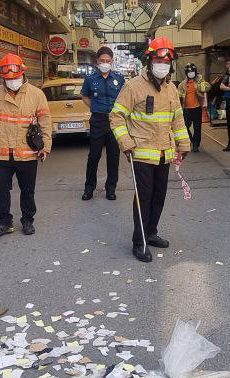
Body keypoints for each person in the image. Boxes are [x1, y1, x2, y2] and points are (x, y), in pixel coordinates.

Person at [110, 37, 191, 262]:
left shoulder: (171, 88)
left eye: (166, 61)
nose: (162, 64)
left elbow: (177, 120)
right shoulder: (133, 86)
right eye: (158, 60)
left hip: (164, 153)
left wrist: (183, 144)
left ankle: (152, 232)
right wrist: (126, 144)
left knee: (159, 197)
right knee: (143, 198)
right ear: (149, 60)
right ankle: (140, 241)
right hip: (141, 154)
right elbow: (116, 117)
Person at [0, 53, 52, 238]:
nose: (12, 81)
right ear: (3, 77)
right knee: (1, 190)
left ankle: (28, 220)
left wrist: (45, 147)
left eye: (16, 77)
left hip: (27, 153)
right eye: (8, 79)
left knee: (28, 190)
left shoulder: (36, 94)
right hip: (3, 153)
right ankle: (4, 223)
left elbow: (45, 122)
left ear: (23, 74)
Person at [81, 47, 125, 201]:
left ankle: (111, 188)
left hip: (115, 121)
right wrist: (94, 107)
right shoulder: (90, 79)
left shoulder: (119, 79)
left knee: (113, 157)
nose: (105, 63)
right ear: (97, 62)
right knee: (94, 156)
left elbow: (124, 99)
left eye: (108, 61)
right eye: (102, 61)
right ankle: (89, 188)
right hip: (98, 120)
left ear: (112, 61)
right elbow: (85, 96)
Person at [177, 63, 210, 152]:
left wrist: (198, 85)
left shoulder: (200, 81)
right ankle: (191, 140)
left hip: (197, 108)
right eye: (189, 71)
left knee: (197, 128)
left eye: (192, 71)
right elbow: (178, 96)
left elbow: (207, 87)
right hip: (187, 110)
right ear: (186, 73)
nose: (191, 73)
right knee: (185, 127)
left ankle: (196, 144)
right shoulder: (182, 84)